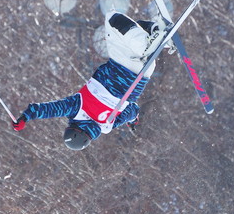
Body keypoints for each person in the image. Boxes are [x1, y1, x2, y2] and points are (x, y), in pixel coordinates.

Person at [12, 10, 172, 150]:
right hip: (121, 68)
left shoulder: (108, 126)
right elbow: (50, 109)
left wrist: (133, 120)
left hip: (143, 75)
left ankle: (155, 34)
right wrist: (26, 116)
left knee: (132, 30)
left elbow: (133, 111)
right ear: (73, 128)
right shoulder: (76, 109)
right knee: (113, 19)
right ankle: (150, 40)